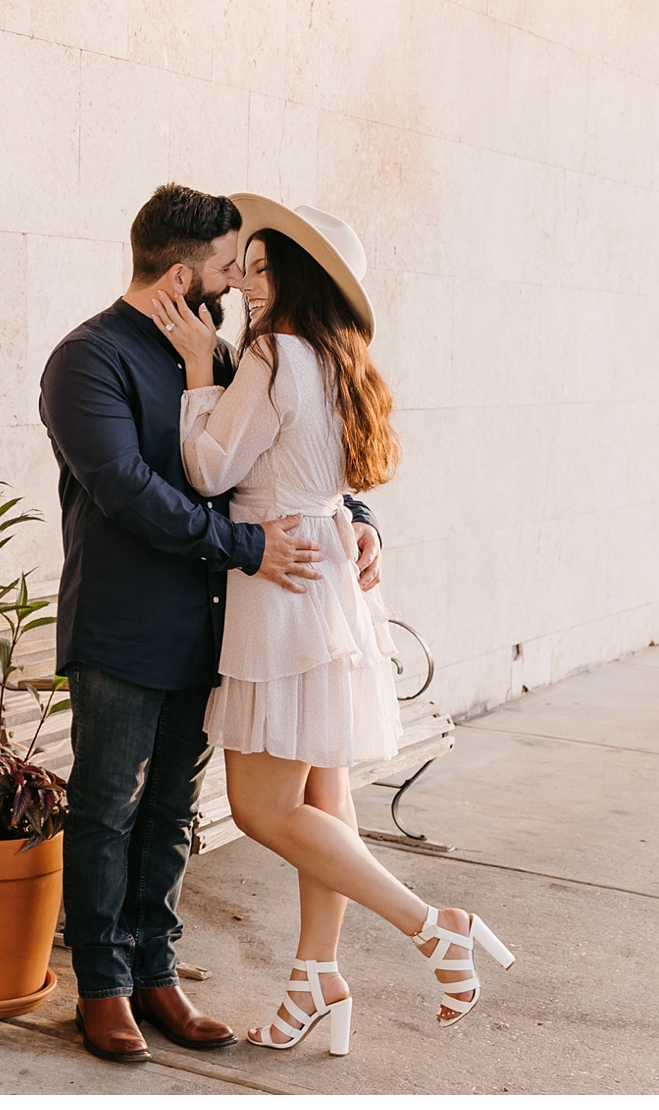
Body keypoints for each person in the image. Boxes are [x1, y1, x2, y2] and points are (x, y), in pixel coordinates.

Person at [143, 194, 514, 1056]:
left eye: (266, 269)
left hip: (283, 583)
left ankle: (434, 925)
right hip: (333, 586)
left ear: (301, 279)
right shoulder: (344, 362)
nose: (250, 285)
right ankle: (317, 976)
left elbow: (206, 469)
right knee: (321, 791)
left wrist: (202, 368)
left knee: (259, 805)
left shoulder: (272, 355)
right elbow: (332, 482)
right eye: (250, 266)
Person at [37, 184, 383, 1064]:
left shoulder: (224, 356)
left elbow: (282, 454)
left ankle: (157, 972)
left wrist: (361, 521)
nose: (239, 279)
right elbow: (129, 493)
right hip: (122, 625)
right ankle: (103, 986)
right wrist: (244, 545)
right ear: (187, 273)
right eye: (231, 265)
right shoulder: (86, 360)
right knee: (108, 806)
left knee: (173, 810)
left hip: (213, 624)